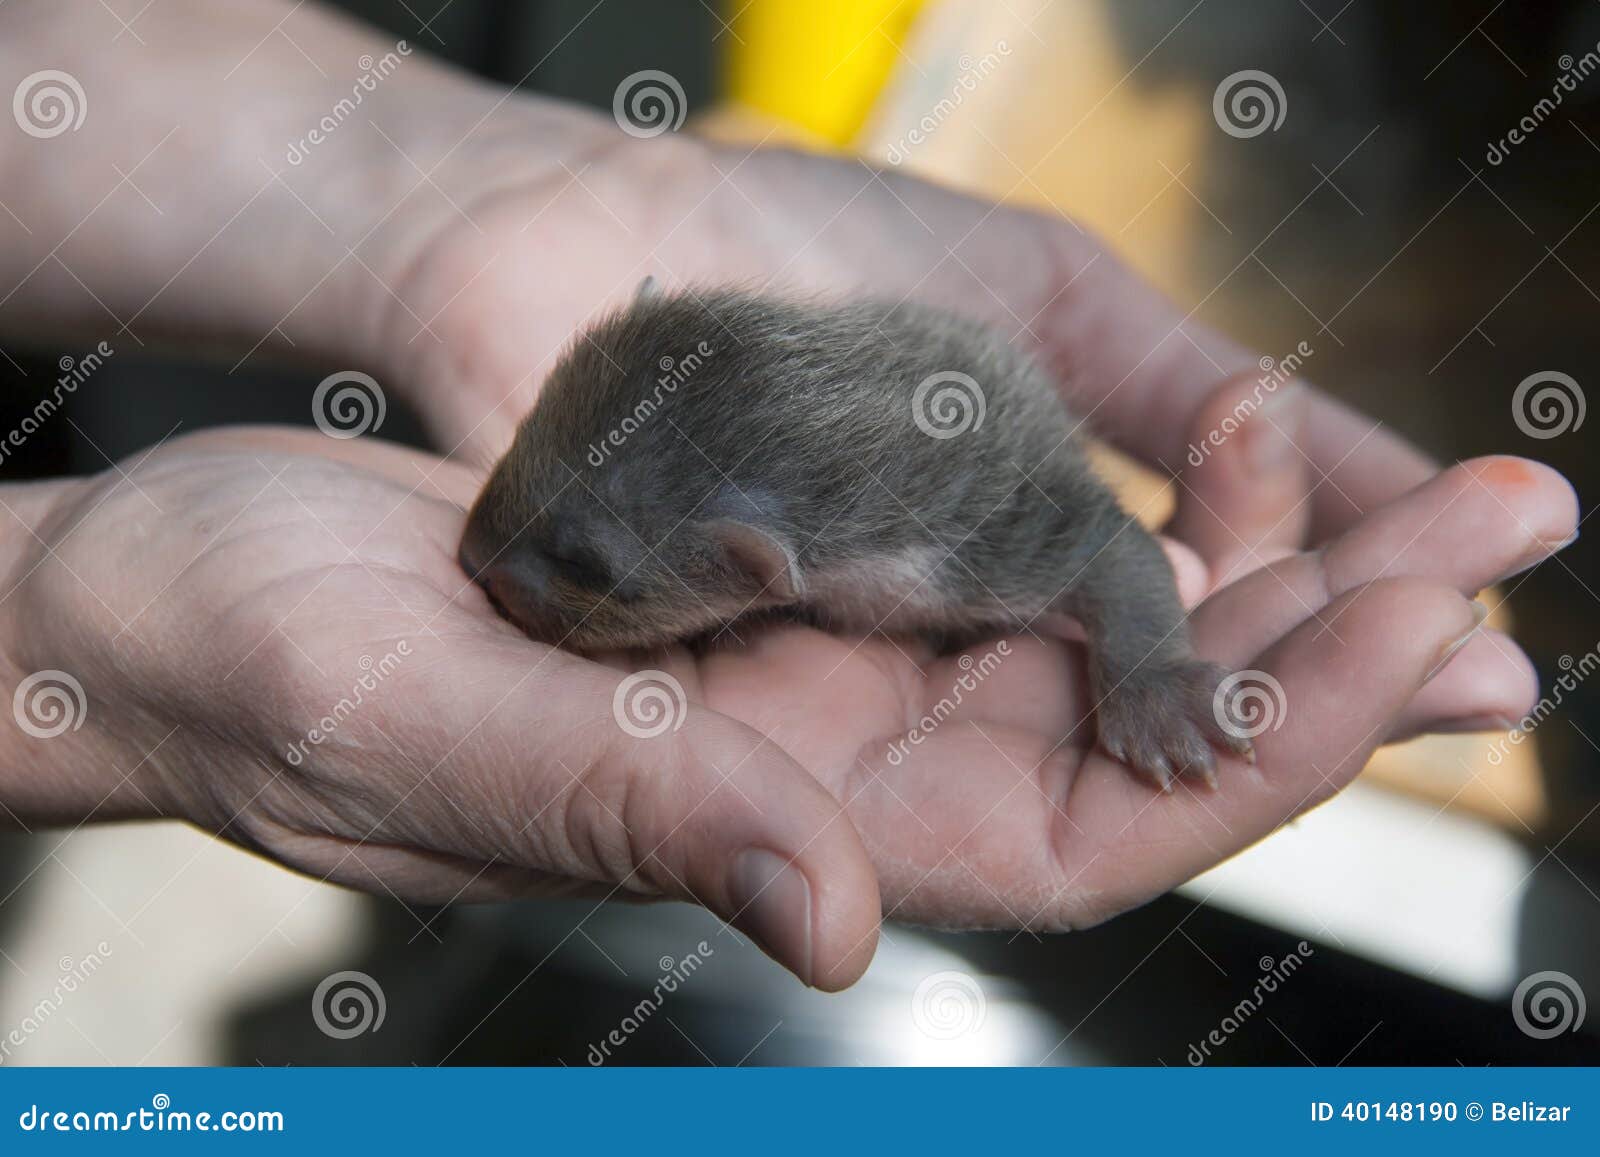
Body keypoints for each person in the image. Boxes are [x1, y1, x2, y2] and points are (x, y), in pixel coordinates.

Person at [0, 0, 1575, 989]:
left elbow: (1107, 548)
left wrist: (1149, 662)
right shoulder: (742, 493)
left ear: (755, 567)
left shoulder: (959, 528)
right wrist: (53, 612)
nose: (492, 557)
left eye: (573, 561)